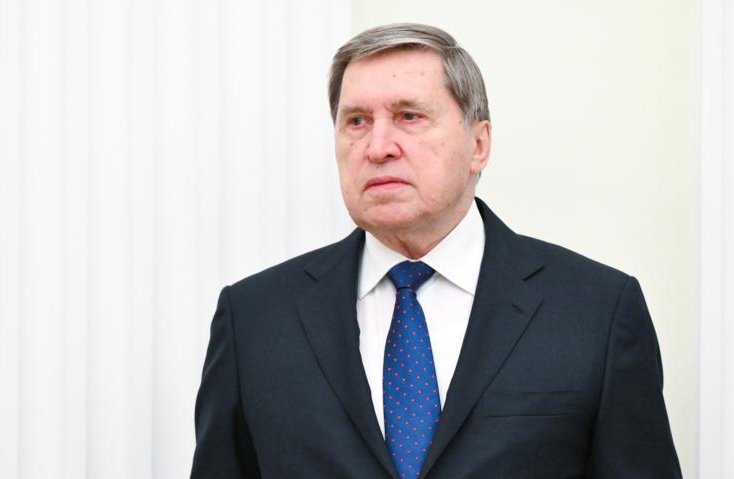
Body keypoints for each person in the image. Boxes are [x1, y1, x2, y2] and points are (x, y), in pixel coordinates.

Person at [190, 23, 682, 478]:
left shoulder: (596, 312)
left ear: (478, 145)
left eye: (409, 116)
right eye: (356, 121)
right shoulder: (254, 320)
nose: (378, 146)